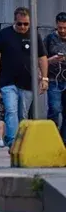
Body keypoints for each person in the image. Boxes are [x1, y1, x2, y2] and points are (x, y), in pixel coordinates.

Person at [0, 6, 49, 147]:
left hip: (28, 82)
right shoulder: (5, 34)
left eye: (26, 24)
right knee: (11, 110)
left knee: (23, 114)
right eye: (19, 24)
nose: (23, 27)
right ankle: (13, 140)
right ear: (14, 22)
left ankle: (22, 141)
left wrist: (44, 78)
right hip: (8, 81)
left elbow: (42, 57)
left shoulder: (34, 35)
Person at [45, 12, 66, 141]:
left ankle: (63, 139)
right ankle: (51, 138)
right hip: (54, 80)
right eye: (60, 28)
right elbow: (40, 59)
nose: (63, 31)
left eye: (65, 28)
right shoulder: (49, 39)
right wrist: (52, 60)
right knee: (55, 108)